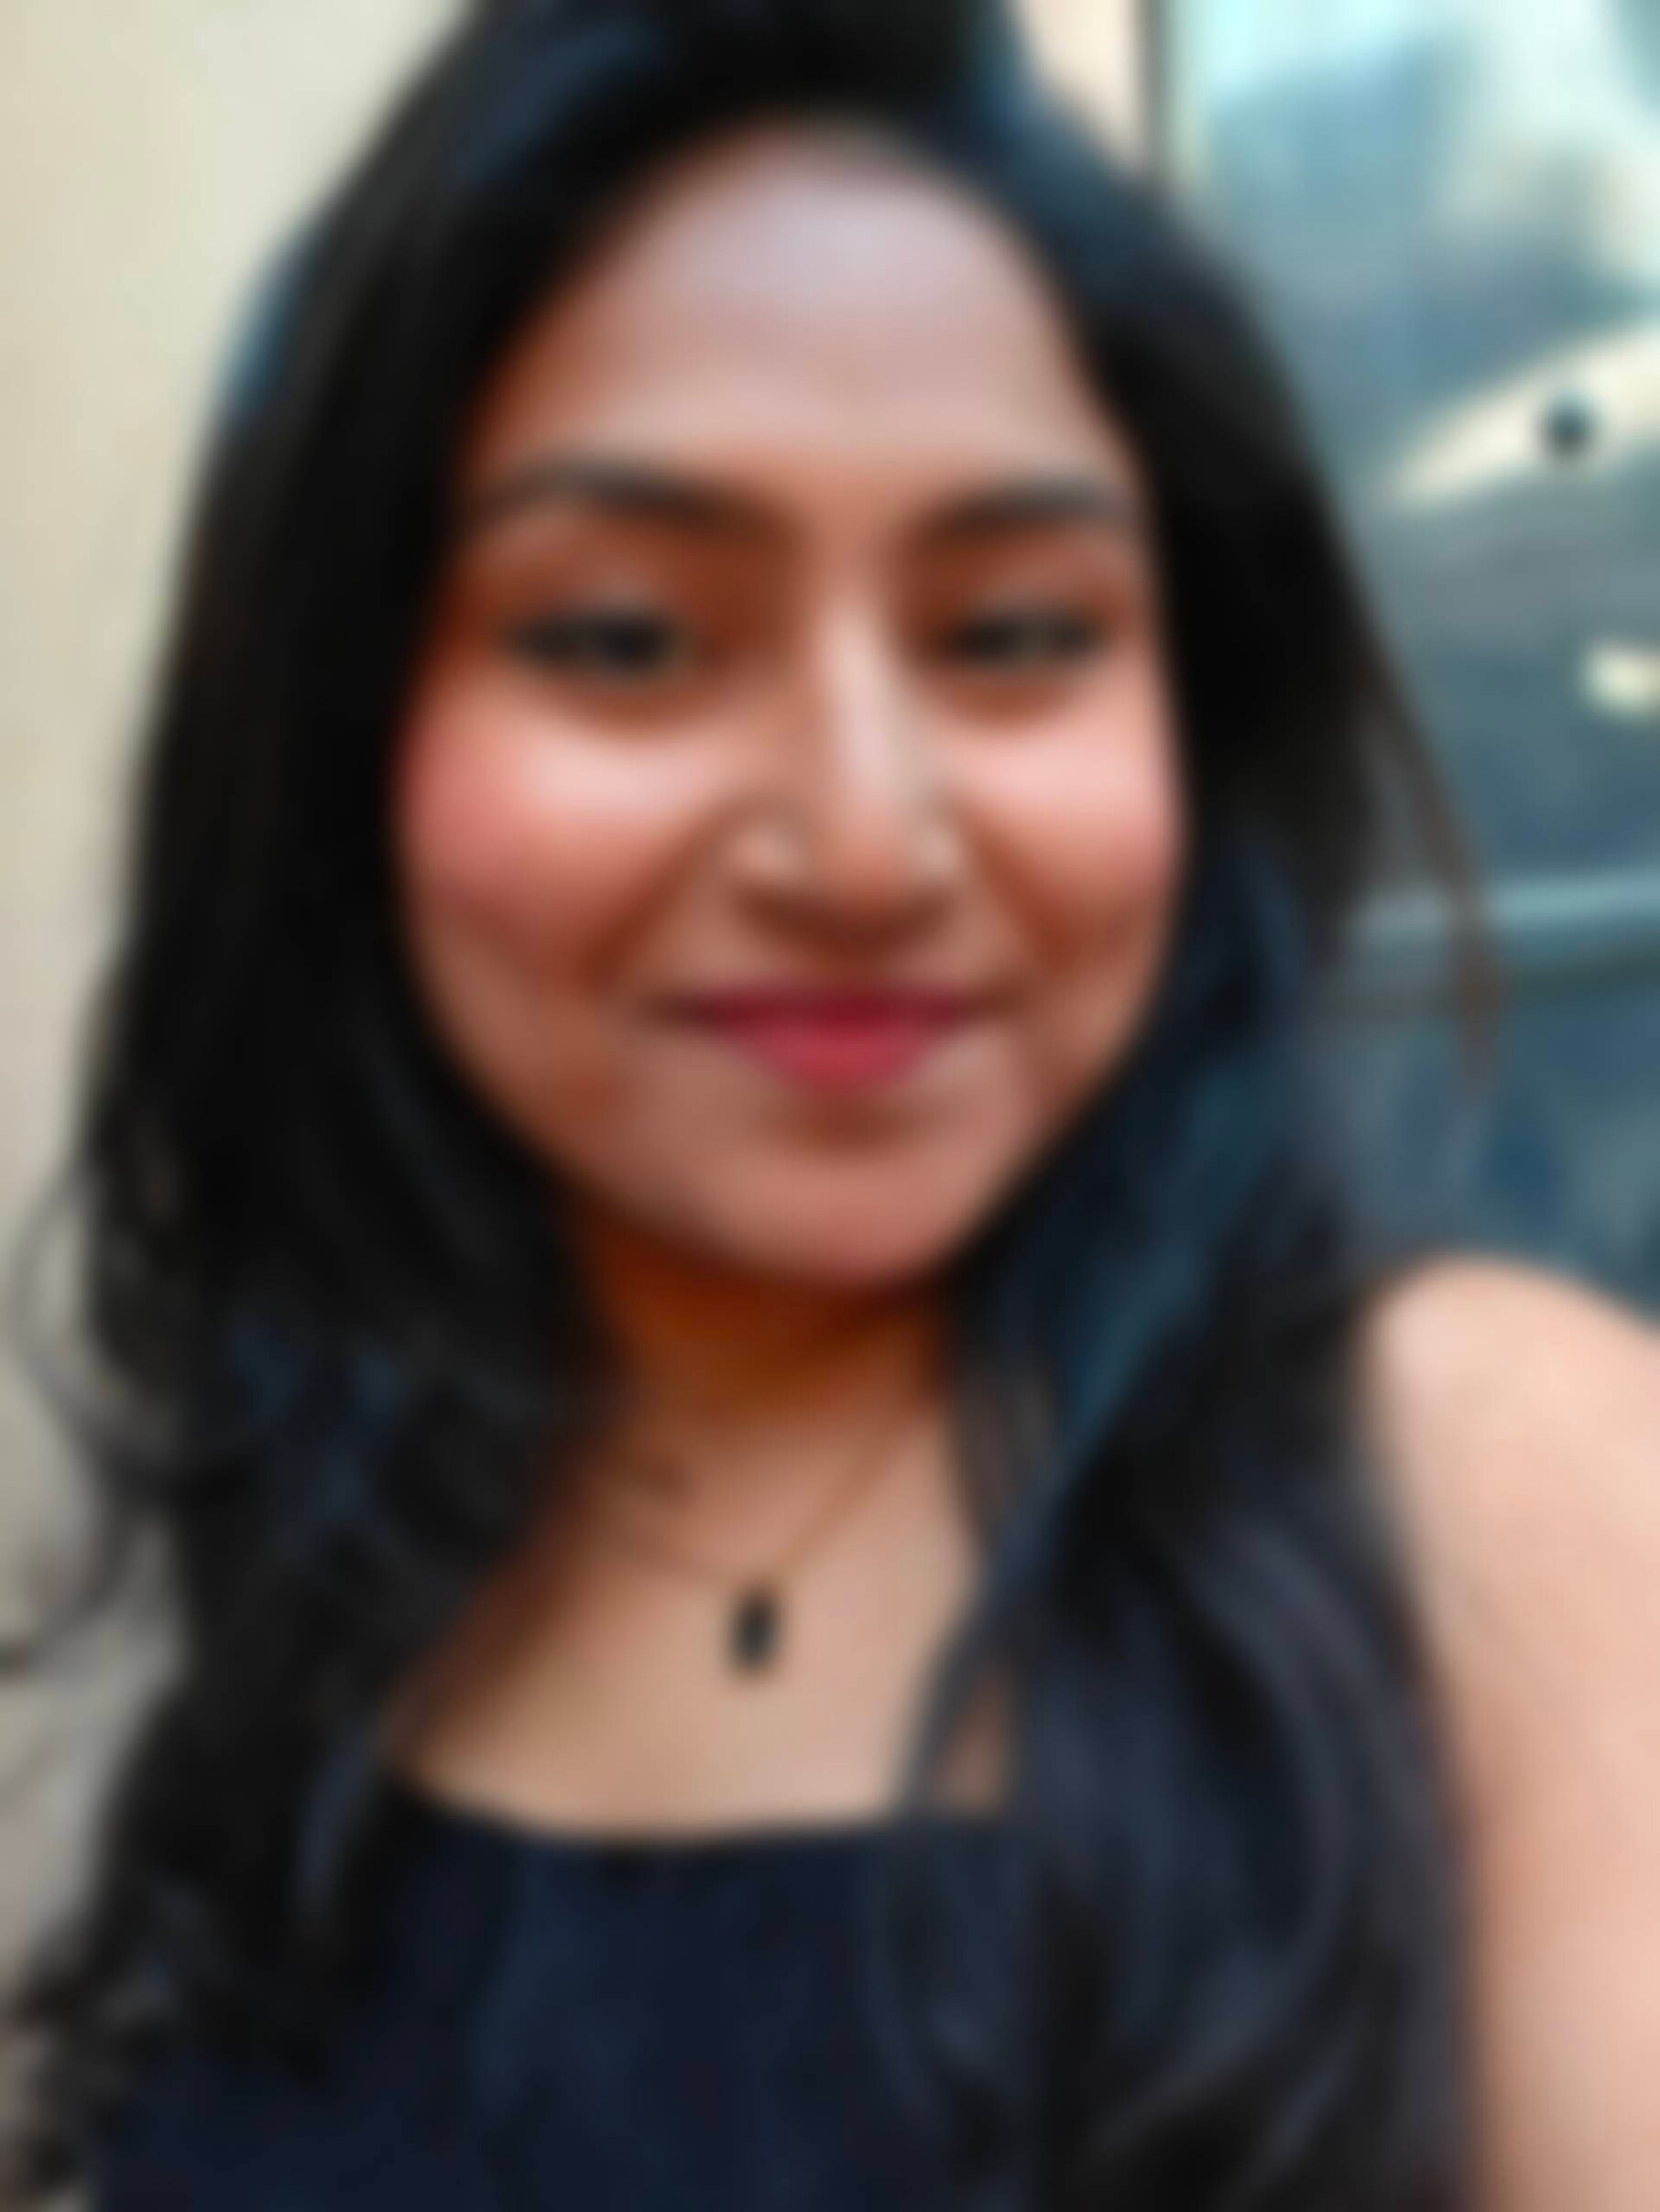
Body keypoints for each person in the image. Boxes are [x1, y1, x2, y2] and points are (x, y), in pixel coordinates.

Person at [5, 1, 1658, 2207]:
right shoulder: (339, 1543)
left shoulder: (1483, 1496)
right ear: (342, 732)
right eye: (623, 639)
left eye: (1017, 634)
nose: (867, 845)